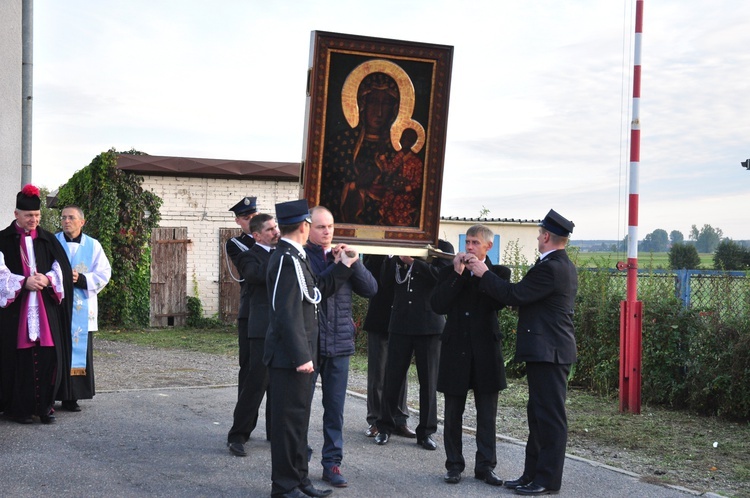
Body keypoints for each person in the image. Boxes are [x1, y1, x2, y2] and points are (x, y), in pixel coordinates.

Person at [466, 209, 578, 496]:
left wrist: (484, 274)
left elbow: (515, 295)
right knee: (537, 416)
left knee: (550, 419)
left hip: (550, 352)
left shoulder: (551, 267)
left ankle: (547, 480)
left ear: (547, 236)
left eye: (541, 233)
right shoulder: (556, 264)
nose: (538, 237)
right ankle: (532, 474)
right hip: (545, 350)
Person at [264, 199, 358, 498]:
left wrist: (343, 266)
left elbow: (314, 292)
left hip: (299, 357)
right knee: (287, 425)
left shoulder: (295, 256)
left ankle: (300, 479)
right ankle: (284, 485)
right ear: (305, 226)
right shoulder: (285, 259)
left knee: (298, 423)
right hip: (289, 359)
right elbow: (285, 311)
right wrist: (301, 355)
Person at [431, 225, 511, 486]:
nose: (469, 248)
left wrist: (482, 275)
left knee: (487, 414)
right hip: (455, 350)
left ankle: (486, 466)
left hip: (486, 353)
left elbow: (500, 301)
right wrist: (457, 275)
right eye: (467, 242)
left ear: (488, 246)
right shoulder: (450, 272)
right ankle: (454, 465)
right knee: (453, 413)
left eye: (475, 243)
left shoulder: (499, 273)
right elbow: (437, 305)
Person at [304, 206, 378, 487]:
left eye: (331, 226)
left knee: (335, 410)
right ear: (309, 228)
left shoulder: (345, 256)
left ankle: (332, 464)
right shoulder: (303, 256)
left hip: (340, 343)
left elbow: (371, 290)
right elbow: (319, 289)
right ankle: (300, 460)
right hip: (311, 345)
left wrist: (354, 262)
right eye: (321, 227)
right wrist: (339, 265)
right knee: (302, 408)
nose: (327, 232)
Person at [0, 184, 73, 424]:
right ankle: (19, 409)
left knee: (48, 355)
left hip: (45, 311)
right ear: (16, 215)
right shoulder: (3, 240)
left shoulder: (48, 239)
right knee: (19, 358)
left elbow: (61, 267)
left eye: (38, 216)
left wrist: (48, 278)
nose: (34, 220)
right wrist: (22, 283)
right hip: (16, 313)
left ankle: (45, 407)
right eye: (29, 216)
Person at [374, 239, 453, 451]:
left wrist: (413, 263)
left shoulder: (443, 248)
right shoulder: (399, 246)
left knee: (428, 381)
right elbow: (385, 281)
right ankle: (385, 426)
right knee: (392, 378)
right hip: (400, 322)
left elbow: (442, 277)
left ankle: (426, 432)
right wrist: (392, 258)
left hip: (429, 324)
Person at [226, 213, 279, 457]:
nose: (275, 232)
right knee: (255, 381)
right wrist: (278, 255)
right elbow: (256, 277)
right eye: (269, 230)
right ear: (257, 235)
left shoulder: (284, 253)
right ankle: (238, 435)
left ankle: (276, 431)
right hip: (259, 326)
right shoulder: (249, 255)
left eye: (276, 227)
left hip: (284, 326)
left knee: (280, 384)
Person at [322, 72, 401, 225]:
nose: (379, 112)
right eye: (373, 102)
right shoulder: (341, 142)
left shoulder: (397, 150)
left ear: (394, 108)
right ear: (362, 104)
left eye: (385, 104)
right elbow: (328, 188)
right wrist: (354, 186)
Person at [55, 205, 112, 412]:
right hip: (57, 307)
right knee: (57, 351)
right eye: (63, 218)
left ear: (82, 222)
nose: (66, 221)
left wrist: (81, 279)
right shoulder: (54, 242)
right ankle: (53, 394)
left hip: (81, 305)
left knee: (78, 351)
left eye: (71, 218)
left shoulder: (93, 246)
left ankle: (73, 397)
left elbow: (105, 273)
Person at [362, 254, 413, 440]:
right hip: (380, 317)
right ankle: (375, 420)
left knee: (401, 372)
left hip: (403, 317)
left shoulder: (413, 251)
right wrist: (390, 257)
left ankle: (399, 420)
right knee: (378, 373)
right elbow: (373, 278)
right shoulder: (375, 252)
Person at [224, 196, 259, 456]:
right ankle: (241, 432)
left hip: (278, 314)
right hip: (252, 313)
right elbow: (251, 272)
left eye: (254, 215)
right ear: (238, 221)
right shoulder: (236, 243)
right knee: (250, 374)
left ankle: (278, 430)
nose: (251, 220)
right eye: (246, 217)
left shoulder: (276, 242)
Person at [380, 127, 423, 227]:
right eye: (403, 137)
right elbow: (389, 169)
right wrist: (383, 158)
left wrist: (404, 188)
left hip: (407, 195)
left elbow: (417, 182)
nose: (404, 141)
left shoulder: (416, 161)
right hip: (394, 190)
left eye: (408, 139)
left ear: (413, 142)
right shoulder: (398, 156)